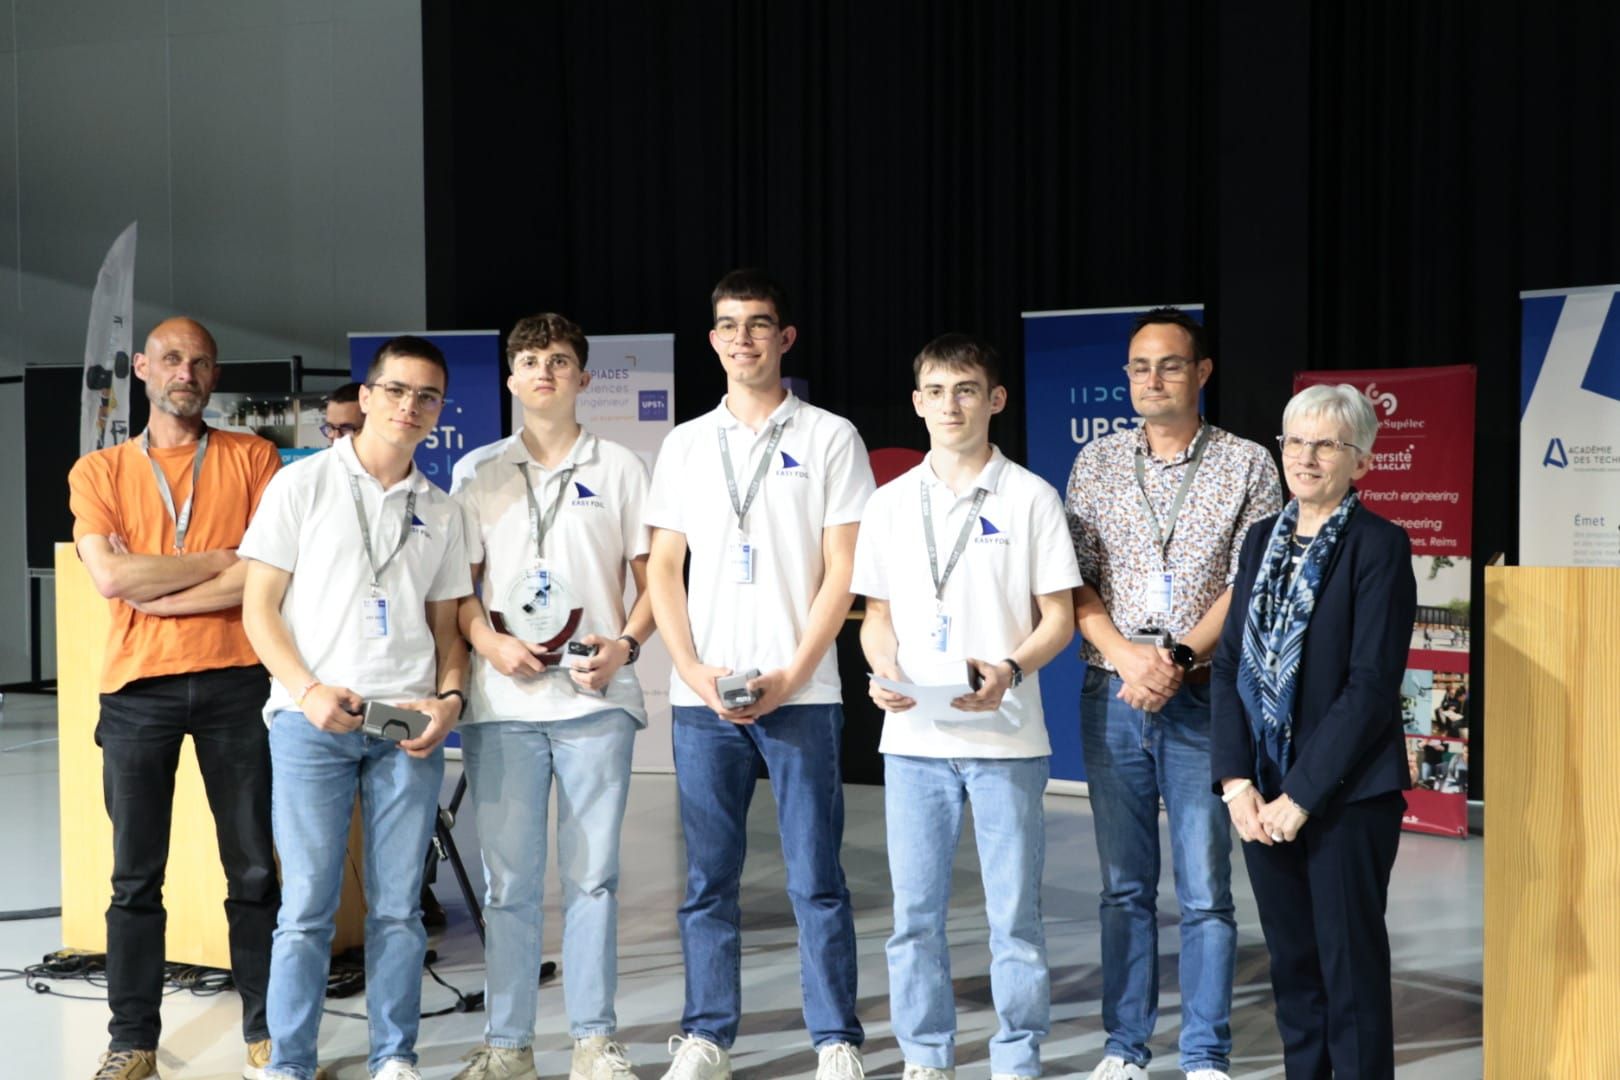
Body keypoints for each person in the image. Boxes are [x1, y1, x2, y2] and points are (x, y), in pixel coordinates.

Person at [645, 268, 873, 1080]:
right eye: (730, 324)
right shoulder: (683, 444)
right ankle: (707, 1034)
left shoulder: (830, 437)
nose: (744, 337)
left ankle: (835, 1040)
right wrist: (695, 672)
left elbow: (842, 571)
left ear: (786, 338)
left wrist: (791, 672)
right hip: (702, 700)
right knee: (709, 880)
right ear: (713, 340)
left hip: (802, 695)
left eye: (760, 323)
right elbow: (663, 569)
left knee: (817, 878)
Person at [240, 335, 472, 1080]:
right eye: (398, 390)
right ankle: (291, 1062)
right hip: (311, 723)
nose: (411, 406)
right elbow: (258, 609)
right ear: (366, 397)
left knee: (400, 908)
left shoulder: (441, 507)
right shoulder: (300, 486)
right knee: (305, 908)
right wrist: (307, 692)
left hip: (405, 727)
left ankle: (394, 1056)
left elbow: (448, 630)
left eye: (427, 396)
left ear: (440, 410)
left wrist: (450, 700)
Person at [854, 334, 1080, 1080]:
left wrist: (1011, 668)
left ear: (995, 399)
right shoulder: (886, 505)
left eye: (966, 389)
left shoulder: (1031, 497)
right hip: (913, 737)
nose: (951, 405)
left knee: (1013, 918)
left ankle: (1017, 1057)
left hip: (1006, 738)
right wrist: (882, 669)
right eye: (937, 391)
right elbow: (877, 616)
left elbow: (1058, 618)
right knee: (913, 918)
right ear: (917, 403)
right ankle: (926, 1056)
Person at [1064, 307, 1281, 1080]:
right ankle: (1124, 1049)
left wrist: (1179, 656)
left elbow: (1247, 582)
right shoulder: (1094, 463)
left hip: (1202, 696)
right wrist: (1129, 660)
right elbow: (1073, 583)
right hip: (1113, 694)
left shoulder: (1249, 464)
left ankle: (1204, 1056)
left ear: (1202, 373)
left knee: (1204, 889)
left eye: (1170, 365)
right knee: (1124, 888)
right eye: (1138, 367)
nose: (1151, 380)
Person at [70, 317, 283, 1080]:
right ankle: (133, 1043)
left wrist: (163, 587)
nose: (183, 372)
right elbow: (112, 579)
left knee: (255, 869)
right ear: (140, 368)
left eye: (198, 362)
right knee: (134, 879)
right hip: (136, 692)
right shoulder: (97, 471)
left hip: (239, 682)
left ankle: (270, 1029)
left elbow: (262, 574)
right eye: (169, 359)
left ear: (214, 375)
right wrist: (217, 558)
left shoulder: (255, 457)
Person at [450, 313, 655, 1080]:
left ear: (583, 378)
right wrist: (490, 643)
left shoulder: (624, 467)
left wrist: (626, 645)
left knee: (594, 876)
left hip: (595, 701)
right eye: (530, 360)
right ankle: (508, 1044)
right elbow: (456, 591)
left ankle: (595, 1039)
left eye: (560, 360)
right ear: (511, 378)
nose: (544, 372)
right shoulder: (477, 471)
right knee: (509, 885)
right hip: (504, 701)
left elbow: (655, 585)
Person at [1211, 382, 1416, 1079]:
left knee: (1348, 973)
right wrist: (1237, 782)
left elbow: (1370, 687)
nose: (1305, 457)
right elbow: (1230, 664)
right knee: (1295, 972)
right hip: (1261, 798)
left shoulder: (1379, 546)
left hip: (1344, 798)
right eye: (1294, 441)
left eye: (1326, 444)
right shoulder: (1260, 539)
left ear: (1361, 461)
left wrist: (1299, 797)